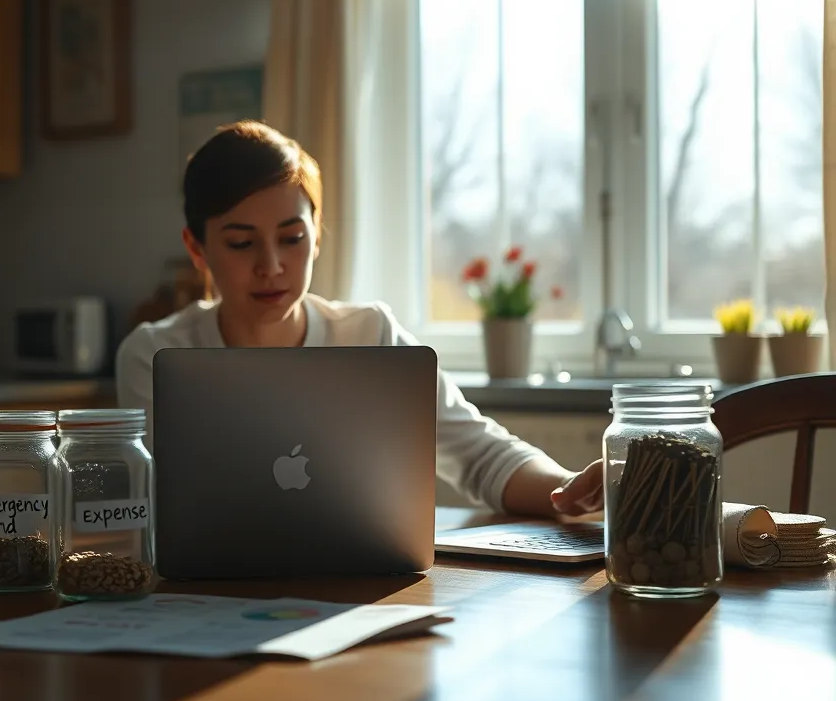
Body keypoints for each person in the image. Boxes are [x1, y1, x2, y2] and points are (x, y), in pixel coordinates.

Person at [116, 121, 602, 519]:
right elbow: (160, 505)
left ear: (317, 236)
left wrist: (567, 488)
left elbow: (479, 453)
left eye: (292, 238)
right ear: (196, 249)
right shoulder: (153, 355)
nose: (271, 265)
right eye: (242, 244)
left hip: (362, 592)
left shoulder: (370, 334)